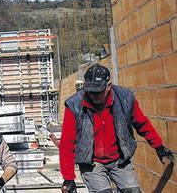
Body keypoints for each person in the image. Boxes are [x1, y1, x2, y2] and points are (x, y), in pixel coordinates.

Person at [59, 64, 174, 193]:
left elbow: (142, 124)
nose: (93, 96)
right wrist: (68, 178)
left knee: (133, 190)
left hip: (119, 159)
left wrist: (158, 145)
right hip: (91, 163)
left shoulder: (125, 99)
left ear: (109, 86)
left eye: (98, 92)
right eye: (90, 91)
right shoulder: (74, 105)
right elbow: (66, 144)